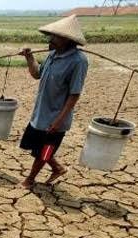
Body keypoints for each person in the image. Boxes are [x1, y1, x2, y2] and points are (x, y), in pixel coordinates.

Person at [18, 15, 88, 189]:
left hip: (56, 118)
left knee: (45, 150)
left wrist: (58, 121)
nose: (50, 40)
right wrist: (29, 57)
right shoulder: (52, 55)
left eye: (54, 36)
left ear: (66, 39)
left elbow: (74, 94)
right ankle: (58, 168)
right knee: (36, 146)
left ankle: (30, 179)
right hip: (40, 114)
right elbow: (37, 74)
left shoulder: (78, 61)